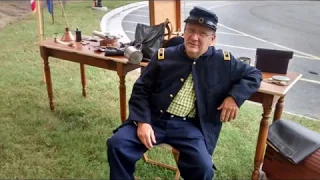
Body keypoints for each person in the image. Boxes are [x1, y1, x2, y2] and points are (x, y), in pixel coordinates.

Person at [106, 6, 262, 180]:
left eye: (202, 33)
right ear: (184, 32)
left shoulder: (223, 61)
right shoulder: (164, 56)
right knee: (117, 144)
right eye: (191, 30)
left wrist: (234, 97)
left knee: (203, 168)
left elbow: (254, 74)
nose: (194, 37)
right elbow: (141, 90)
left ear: (212, 38)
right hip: (154, 118)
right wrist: (142, 122)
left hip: (189, 126)